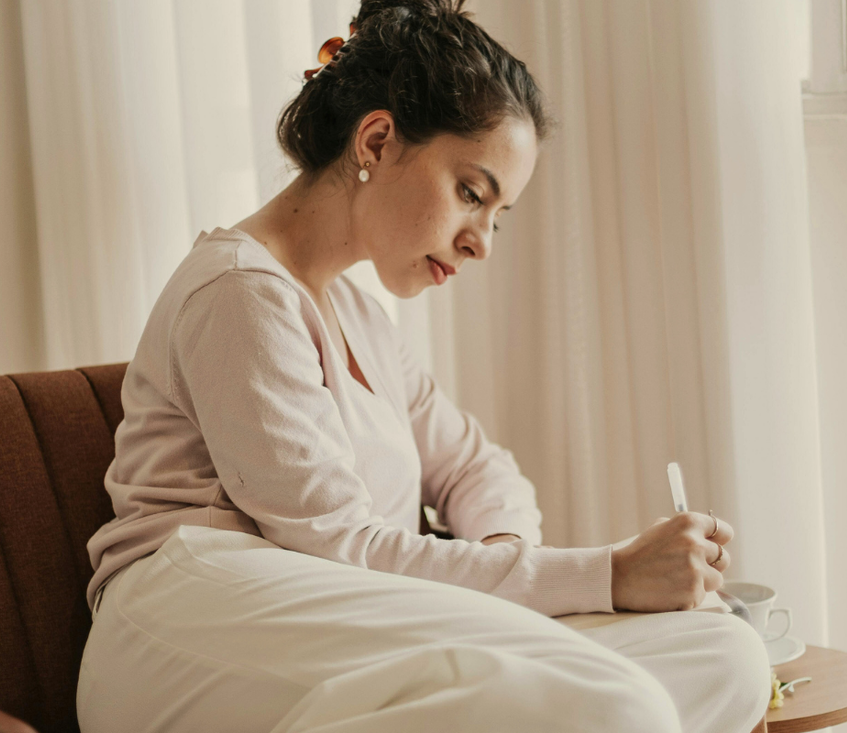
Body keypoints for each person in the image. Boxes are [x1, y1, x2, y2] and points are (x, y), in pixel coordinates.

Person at [76, 1, 771, 731]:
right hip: (196, 617)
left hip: (341, 612)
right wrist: (605, 575)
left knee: (725, 653)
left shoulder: (363, 317)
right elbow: (337, 547)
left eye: (498, 215)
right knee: (621, 704)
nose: (482, 244)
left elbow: (475, 468)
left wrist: (509, 557)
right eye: (472, 193)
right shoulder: (239, 293)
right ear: (375, 140)